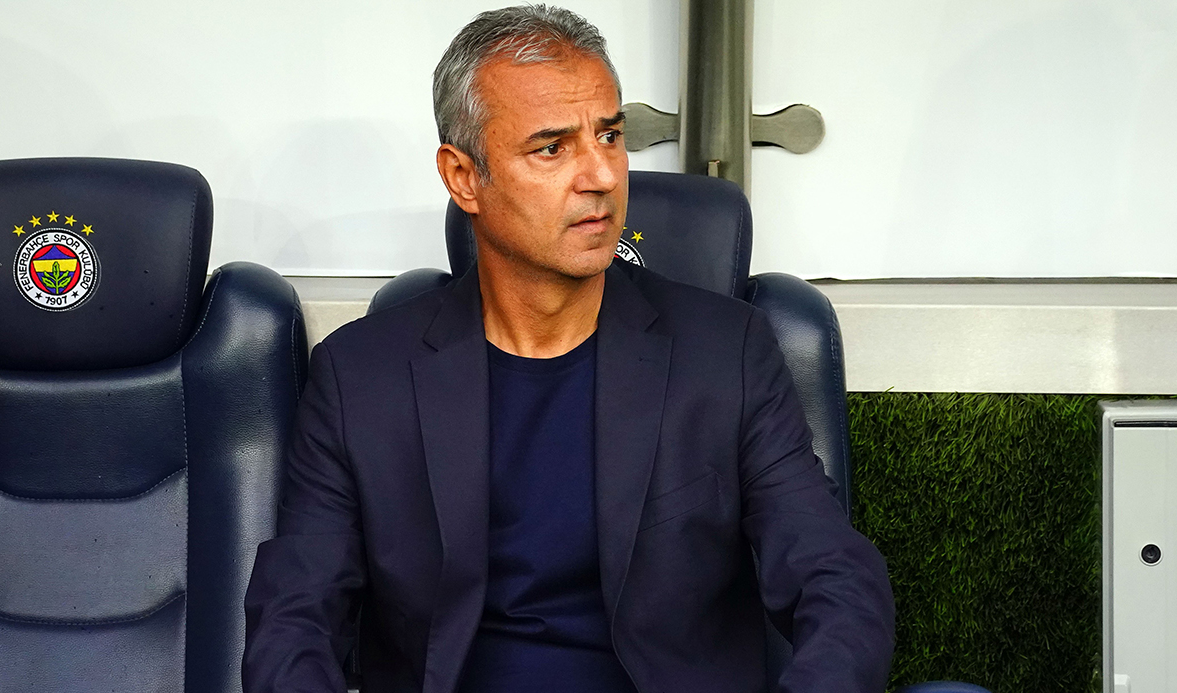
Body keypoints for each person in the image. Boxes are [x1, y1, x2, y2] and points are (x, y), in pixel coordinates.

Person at [243, 5, 895, 693]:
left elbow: (837, 579)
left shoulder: (726, 353)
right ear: (464, 177)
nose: (602, 176)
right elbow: (294, 620)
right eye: (552, 148)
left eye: (609, 136)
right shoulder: (359, 377)